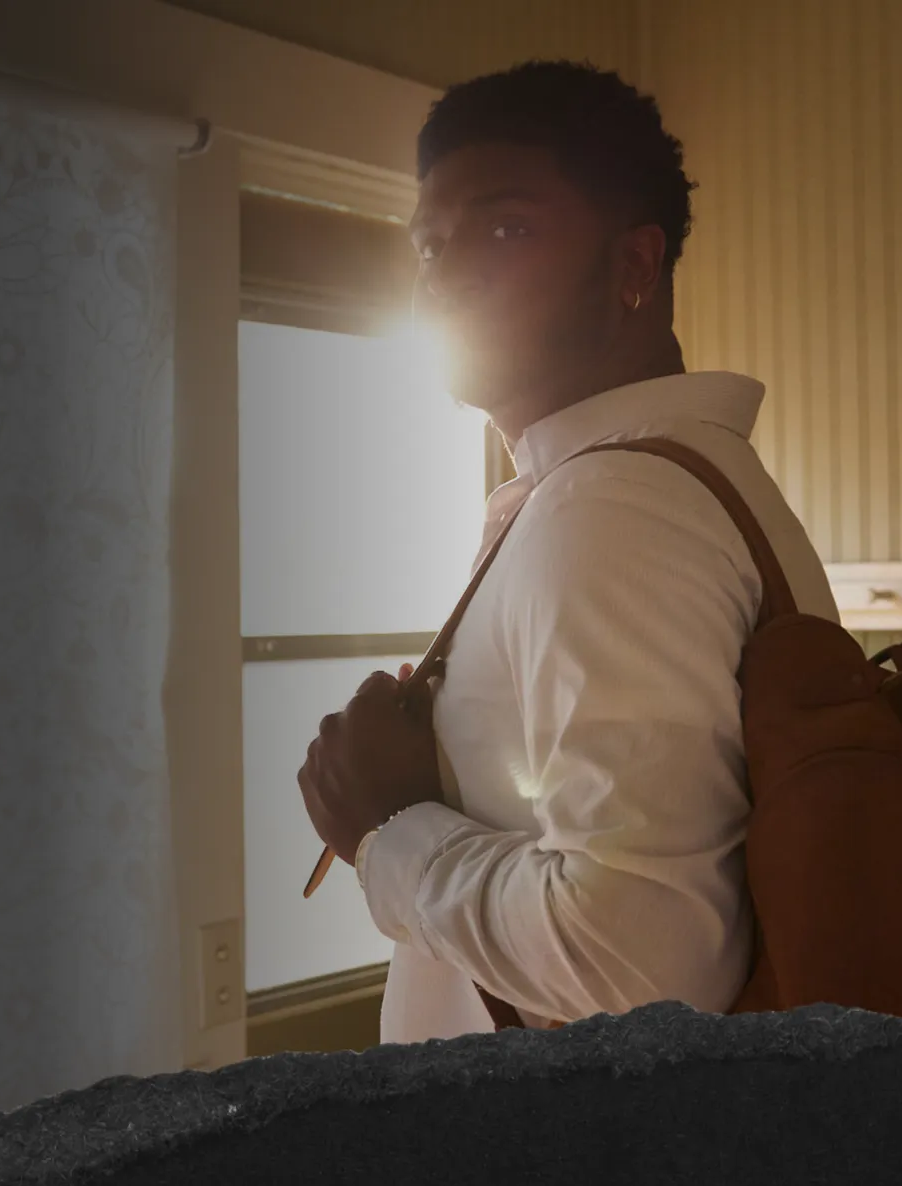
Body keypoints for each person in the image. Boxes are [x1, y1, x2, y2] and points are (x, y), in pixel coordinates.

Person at [298, 60, 839, 1045]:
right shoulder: (643, 483)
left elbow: (643, 966)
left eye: (506, 229)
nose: (445, 275)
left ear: (634, 265)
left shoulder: (611, 505)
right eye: (430, 244)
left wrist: (388, 829)